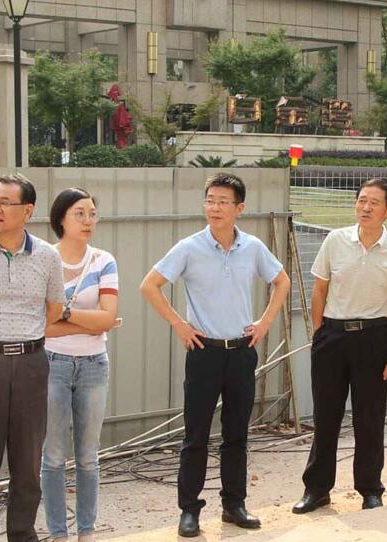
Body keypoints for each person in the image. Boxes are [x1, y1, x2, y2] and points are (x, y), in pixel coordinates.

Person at [140, 173, 290, 536]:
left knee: (236, 434)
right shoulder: (189, 247)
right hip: (203, 353)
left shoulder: (252, 247)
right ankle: (189, 510)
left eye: (223, 201)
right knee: (196, 436)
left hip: (241, 352)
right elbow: (150, 286)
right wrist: (179, 324)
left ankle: (233, 505)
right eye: (210, 200)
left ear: (240, 208)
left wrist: (266, 322)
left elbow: (281, 281)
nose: (215, 208)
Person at [292, 178, 387, 514]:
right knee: (325, 416)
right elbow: (319, 289)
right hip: (332, 336)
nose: (366, 207)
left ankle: (370, 489)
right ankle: (317, 489)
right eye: (361, 200)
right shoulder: (335, 240)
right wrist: (319, 333)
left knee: (369, 418)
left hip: (373, 339)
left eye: (374, 202)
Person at [0, 174, 65, 541]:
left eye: (4, 202)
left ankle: (22, 534)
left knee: (27, 464)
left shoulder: (47, 256)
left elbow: (53, 309)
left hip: (32, 364)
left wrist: (22, 335)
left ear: (27, 210)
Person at [42, 188, 119, 542]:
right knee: (53, 455)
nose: (88, 220)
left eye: (92, 213)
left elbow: (108, 319)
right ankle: (58, 533)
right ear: (61, 218)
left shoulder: (104, 261)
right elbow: (41, 325)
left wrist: (66, 314)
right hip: (51, 362)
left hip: (93, 365)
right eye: (79, 213)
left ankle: (86, 531)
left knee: (88, 456)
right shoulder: (45, 260)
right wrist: (89, 322)